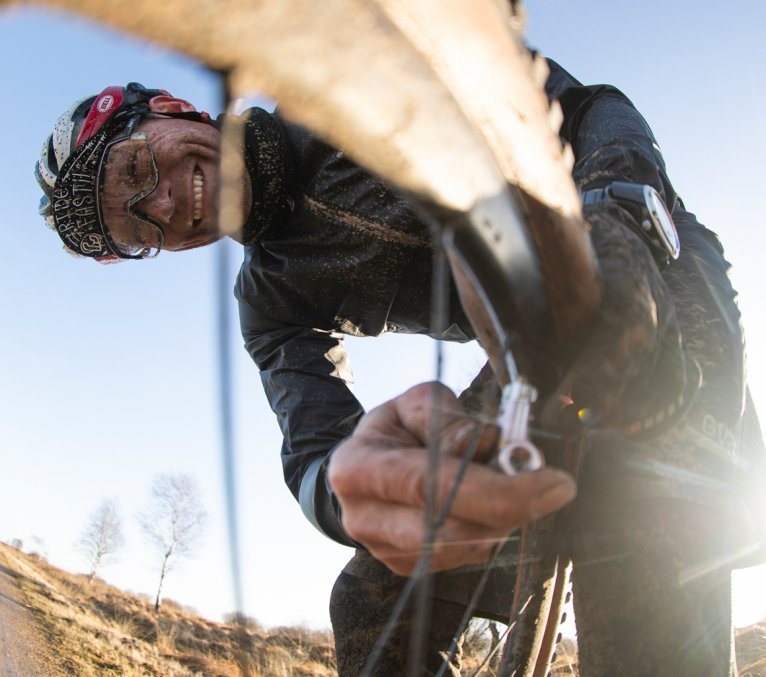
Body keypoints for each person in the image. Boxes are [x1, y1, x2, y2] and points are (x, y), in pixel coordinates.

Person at [35, 55, 763, 675]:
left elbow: (588, 107)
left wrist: (621, 212)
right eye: (141, 229)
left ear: (168, 107)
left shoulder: (342, 79)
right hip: (524, 352)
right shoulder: (270, 296)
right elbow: (317, 451)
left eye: (137, 164)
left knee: (643, 516)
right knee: (366, 605)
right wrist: (362, 492)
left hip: (650, 255)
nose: (166, 204)